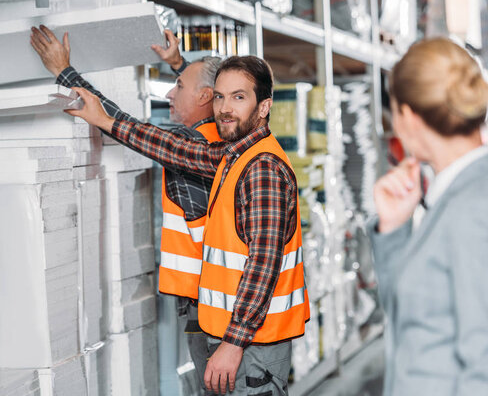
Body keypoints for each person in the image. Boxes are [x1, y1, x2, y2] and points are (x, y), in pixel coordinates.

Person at [58, 54, 310, 395]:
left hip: (253, 346)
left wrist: (233, 344)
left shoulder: (262, 168)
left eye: (239, 97)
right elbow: (169, 147)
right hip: (238, 338)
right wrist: (104, 120)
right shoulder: (232, 156)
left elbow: (263, 264)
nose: (224, 108)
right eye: (219, 96)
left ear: (263, 107)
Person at [30, 26, 222, 391]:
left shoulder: (192, 145)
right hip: (214, 302)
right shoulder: (228, 137)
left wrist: (64, 72)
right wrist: (180, 64)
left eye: (179, 85)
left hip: (213, 308)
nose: (169, 91)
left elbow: (122, 122)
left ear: (206, 97)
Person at [369, 37, 488, 396]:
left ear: (409, 117)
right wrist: (394, 228)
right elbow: (417, 318)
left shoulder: (480, 212)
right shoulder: (458, 194)